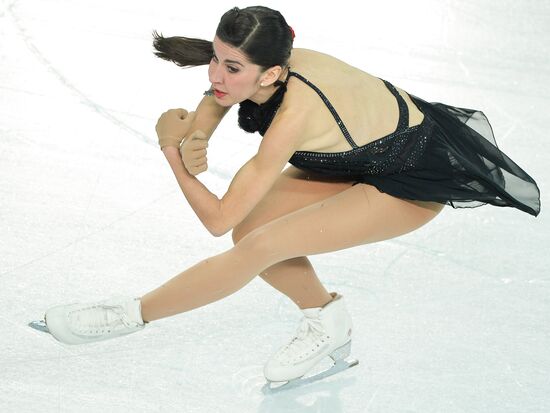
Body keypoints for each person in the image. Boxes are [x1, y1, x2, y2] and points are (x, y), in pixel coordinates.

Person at [36, 6, 540, 385]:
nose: (216, 74)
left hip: (407, 178)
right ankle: (328, 319)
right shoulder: (266, 68)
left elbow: (215, 218)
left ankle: (130, 315)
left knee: (254, 243)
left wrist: (171, 147)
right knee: (252, 228)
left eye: (232, 67)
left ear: (272, 73)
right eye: (215, 57)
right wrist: (200, 134)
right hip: (355, 157)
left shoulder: (297, 110)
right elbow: (217, 98)